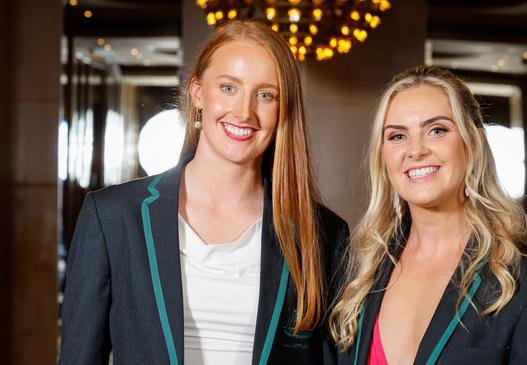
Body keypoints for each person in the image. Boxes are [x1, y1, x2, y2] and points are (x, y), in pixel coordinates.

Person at [60, 20, 348, 365]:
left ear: (283, 108)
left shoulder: (323, 233)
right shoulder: (113, 216)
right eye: (228, 87)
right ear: (197, 93)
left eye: (265, 95)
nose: (244, 111)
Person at [328, 66, 527, 364]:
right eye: (397, 136)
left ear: (473, 144)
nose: (416, 150)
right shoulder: (357, 280)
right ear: (383, 157)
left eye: (437, 130)